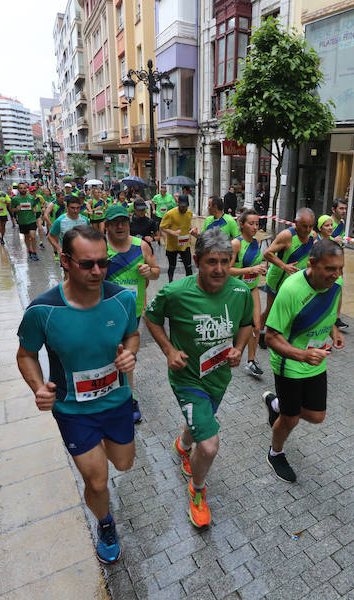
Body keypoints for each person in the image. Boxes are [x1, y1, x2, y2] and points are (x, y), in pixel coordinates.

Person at [16, 226, 139, 564]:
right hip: (73, 410)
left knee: (124, 464)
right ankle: (105, 522)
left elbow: (133, 335)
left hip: (117, 402)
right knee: (98, 482)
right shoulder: (42, 311)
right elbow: (25, 354)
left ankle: (100, 457)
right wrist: (39, 388)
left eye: (104, 263)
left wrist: (130, 354)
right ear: (65, 261)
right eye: (88, 264)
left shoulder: (122, 299)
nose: (98, 271)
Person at [144, 228, 254, 527]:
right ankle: (197, 490)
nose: (219, 269)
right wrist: (168, 350)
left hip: (218, 378)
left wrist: (240, 348)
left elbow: (246, 324)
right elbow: (150, 317)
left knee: (199, 425)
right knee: (208, 445)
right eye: (211, 262)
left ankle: (182, 445)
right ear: (197, 260)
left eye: (225, 262)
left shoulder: (241, 291)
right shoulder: (176, 292)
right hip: (187, 379)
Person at [262, 240, 345, 482]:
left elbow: (328, 316)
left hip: (315, 361)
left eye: (339, 268)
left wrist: (335, 333)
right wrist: (302, 355)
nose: (336, 274)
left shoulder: (336, 285)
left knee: (317, 416)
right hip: (290, 363)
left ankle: (276, 404)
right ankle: (275, 452)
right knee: (291, 418)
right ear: (312, 263)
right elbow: (270, 337)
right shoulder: (291, 289)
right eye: (330, 268)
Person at [104, 204, 161, 424]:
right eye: (115, 223)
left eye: (123, 222)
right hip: (104, 312)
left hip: (133, 312)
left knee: (127, 356)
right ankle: (109, 393)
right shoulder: (100, 246)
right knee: (110, 355)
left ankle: (129, 397)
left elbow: (156, 273)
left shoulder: (142, 246)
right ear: (107, 226)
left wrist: (150, 271)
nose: (120, 226)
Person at [260, 208, 317, 348]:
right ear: (296, 223)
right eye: (305, 226)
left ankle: (283, 337)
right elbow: (267, 253)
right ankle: (261, 333)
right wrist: (284, 266)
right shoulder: (286, 235)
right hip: (278, 279)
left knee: (293, 312)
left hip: (296, 283)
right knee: (271, 310)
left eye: (311, 226)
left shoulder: (313, 236)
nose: (308, 229)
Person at [230, 209, 267, 378]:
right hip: (236, 291)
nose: (255, 227)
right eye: (251, 224)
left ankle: (251, 361)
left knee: (257, 326)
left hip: (252, 289)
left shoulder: (255, 243)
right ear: (242, 224)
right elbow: (227, 270)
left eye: (257, 224)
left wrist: (262, 270)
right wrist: (252, 269)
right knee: (234, 328)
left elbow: (256, 263)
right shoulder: (236, 244)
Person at [316, 215, 347, 332]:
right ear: (320, 228)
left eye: (331, 225)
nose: (330, 228)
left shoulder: (332, 242)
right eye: (327, 225)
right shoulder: (316, 242)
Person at [160, 194, 197, 282]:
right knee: (172, 266)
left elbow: (188, 225)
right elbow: (162, 227)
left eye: (186, 206)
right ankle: (170, 282)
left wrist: (192, 230)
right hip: (172, 245)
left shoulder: (189, 213)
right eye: (182, 206)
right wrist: (172, 232)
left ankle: (189, 284)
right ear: (178, 204)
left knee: (188, 267)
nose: (184, 208)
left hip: (184, 244)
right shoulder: (170, 214)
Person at [10, 182, 41, 261]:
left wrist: (34, 210)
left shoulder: (31, 197)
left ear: (26, 189)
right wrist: (16, 209)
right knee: (26, 237)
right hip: (22, 221)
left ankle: (34, 252)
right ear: (18, 189)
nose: (23, 190)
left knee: (33, 236)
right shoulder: (15, 199)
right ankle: (29, 250)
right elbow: (11, 209)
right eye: (21, 188)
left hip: (31, 220)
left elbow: (34, 206)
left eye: (24, 188)